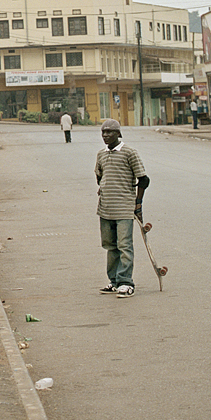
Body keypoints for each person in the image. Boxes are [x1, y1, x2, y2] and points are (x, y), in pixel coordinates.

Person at [95, 118, 148, 297]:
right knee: (110, 246)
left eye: (109, 132)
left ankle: (126, 282)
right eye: (103, 132)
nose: (105, 135)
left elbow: (143, 180)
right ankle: (114, 281)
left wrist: (138, 204)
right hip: (105, 208)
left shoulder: (129, 153)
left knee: (124, 245)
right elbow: (100, 176)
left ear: (118, 133)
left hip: (125, 207)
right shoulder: (101, 155)